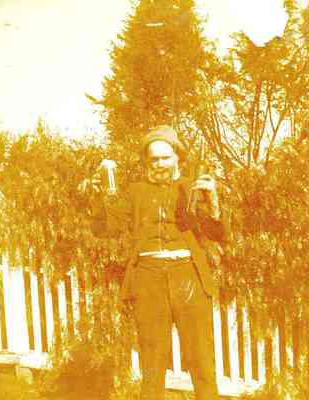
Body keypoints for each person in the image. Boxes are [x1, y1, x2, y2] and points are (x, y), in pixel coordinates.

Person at [94, 125, 228, 400]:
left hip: (189, 276)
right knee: (152, 362)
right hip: (148, 277)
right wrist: (99, 196)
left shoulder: (193, 187)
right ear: (146, 161)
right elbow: (107, 228)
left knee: (201, 359)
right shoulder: (135, 192)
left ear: (177, 157)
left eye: (165, 157)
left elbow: (218, 234)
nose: (159, 164)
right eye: (153, 159)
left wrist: (213, 200)